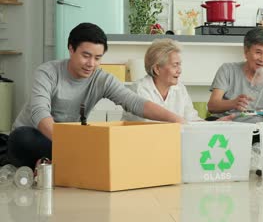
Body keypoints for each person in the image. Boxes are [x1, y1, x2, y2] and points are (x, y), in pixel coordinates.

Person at [7, 23, 185, 169]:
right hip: (37, 136)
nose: (91, 64)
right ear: (71, 49)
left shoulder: (101, 79)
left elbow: (134, 102)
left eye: (98, 58)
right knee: (20, 138)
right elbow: (39, 113)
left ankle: (51, 163)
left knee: (107, 144)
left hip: (70, 140)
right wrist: (70, 146)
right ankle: (57, 161)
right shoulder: (47, 72)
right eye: (86, 56)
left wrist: (175, 119)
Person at [207, 27, 263, 123]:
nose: (262, 59)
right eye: (258, 52)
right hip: (227, 127)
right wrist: (233, 103)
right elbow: (212, 106)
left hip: (257, 131)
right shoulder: (228, 69)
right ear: (246, 52)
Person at [121, 38, 204, 122]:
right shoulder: (139, 90)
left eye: (179, 65)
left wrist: (214, 124)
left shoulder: (180, 89)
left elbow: (192, 120)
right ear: (157, 69)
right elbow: (150, 128)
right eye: (175, 65)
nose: (179, 70)